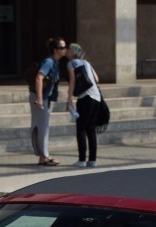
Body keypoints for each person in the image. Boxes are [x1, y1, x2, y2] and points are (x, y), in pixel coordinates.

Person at [64, 44, 103, 167]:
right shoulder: (86, 63)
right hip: (96, 97)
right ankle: (92, 160)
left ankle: (81, 160)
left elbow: (72, 82)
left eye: (68, 49)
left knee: (81, 128)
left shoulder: (71, 64)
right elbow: (96, 79)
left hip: (84, 98)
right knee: (91, 129)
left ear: (73, 52)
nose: (66, 51)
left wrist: (69, 100)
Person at [32, 38, 66, 166]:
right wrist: (40, 98)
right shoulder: (49, 62)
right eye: (62, 48)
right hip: (41, 98)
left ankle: (43, 156)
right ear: (55, 50)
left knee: (44, 127)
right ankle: (44, 157)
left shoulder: (55, 62)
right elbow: (39, 78)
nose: (65, 49)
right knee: (42, 127)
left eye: (65, 47)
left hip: (47, 98)